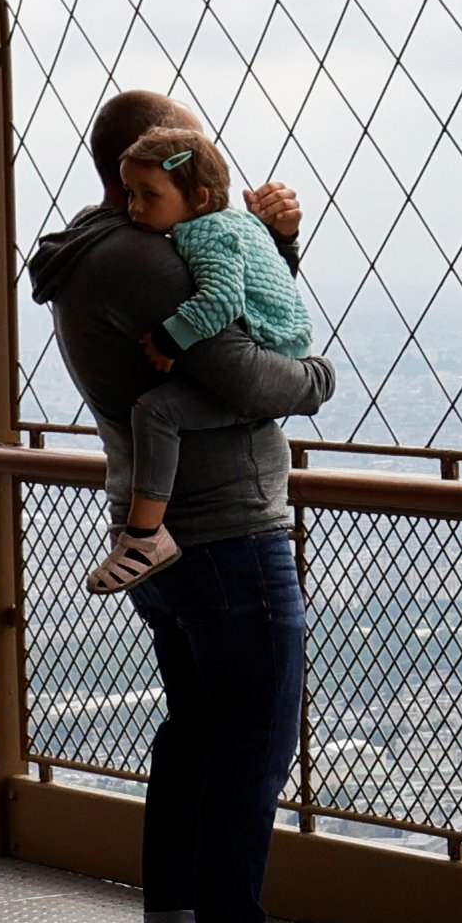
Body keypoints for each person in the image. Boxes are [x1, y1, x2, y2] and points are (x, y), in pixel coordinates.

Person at [24, 87, 359, 923]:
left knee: (195, 737)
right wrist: (318, 381)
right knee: (252, 745)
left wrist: (274, 248)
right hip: (228, 531)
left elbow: (240, 320)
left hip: (173, 529)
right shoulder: (141, 262)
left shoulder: (103, 252)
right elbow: (243, 366)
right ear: (153, 164)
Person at [92, 123, 317, 596]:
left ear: (196, 198)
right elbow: (260, 279)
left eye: (148, 196)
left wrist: (169, 341)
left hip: (270, 352)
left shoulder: (200, 233)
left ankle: (144, 537)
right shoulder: (236, 222)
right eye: (132, 194)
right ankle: (145, 535)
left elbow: (221, 300)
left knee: (157, 411)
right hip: (283, 346)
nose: (134, 210)